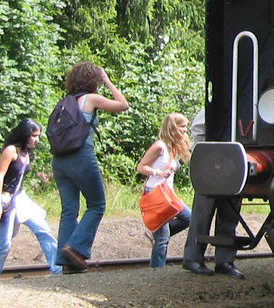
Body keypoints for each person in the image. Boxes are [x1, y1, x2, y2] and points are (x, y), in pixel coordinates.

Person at [53, 62, 129, 273]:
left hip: (59, 161)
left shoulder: (64, 102)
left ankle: (67, 263)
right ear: (93, 81)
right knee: (97, 205)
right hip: (81, 158)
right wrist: (107, 80)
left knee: (69, 210)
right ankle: (75, 249)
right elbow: (123, 105)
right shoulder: (91, 99)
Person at [0, 119, 61, 281]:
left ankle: (57, 268)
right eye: (34, 136)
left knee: (43, 229)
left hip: (20, 199)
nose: (36, 139)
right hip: (5, 201)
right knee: (4, 243)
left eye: (38, 136)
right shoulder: (11, 150)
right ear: (25, 134)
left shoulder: (26, 153)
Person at [182, 107, 245, 278]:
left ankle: (225, 261)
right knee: (203, 210)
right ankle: (192, 257)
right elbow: (198, 126)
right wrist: (205, 153)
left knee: (230, 211)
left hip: (234, 162)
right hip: (212, 161)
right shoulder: (221, 103)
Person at [137, 112, 193, 268]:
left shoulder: (173, 148)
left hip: (167, 194)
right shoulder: (159, 146)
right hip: (155, 193)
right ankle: (157, 270)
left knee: (189, 218)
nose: (184, 132)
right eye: (182, 128)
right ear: (173, 128)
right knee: (163, 238)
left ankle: (154, 233)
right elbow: (141, 167)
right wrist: (158, 173)